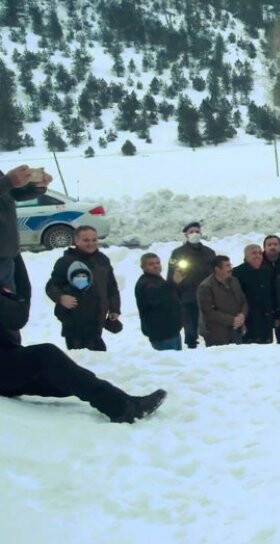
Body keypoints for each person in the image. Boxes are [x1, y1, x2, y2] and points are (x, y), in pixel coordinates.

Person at [2, 255, 165, 423]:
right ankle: (122, 408)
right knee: (47, 355)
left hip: (9, 356)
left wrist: (14, 255)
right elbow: (18, 316)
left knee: (67, 382)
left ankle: (121, 400)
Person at [46, 226, 120, 351]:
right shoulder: (66, 261)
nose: (91, 243)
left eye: (94, 240)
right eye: (86, 240)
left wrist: (114, 309)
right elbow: (51, 286)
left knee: (97, 355)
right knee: (85, 357)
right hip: (75, 322)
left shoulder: (102, 260)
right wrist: (61, 298)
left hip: (97, 319)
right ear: (76, 241)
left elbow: (111, 286)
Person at [2, 165, 53, 293]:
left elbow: (13, 194)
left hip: (7, 253)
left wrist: (36, 187)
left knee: (14, 301)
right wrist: (8, 181)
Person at [167, 222, 216, 349]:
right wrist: (174, 293)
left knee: (210, 327)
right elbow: (171, 277)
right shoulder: (177, 253)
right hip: (187, 297)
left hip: (207, 297)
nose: (195, 234)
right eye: (191, 232)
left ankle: (212, 350)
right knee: (190, 328)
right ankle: (191, 348)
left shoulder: (209, 252)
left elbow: (215, 274)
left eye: (197, 231)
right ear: (186, 235)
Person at [134, 252, 183, 350]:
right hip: (162, 335)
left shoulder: (157, 280)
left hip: (172, 332)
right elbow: (158, 299)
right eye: (151, 264)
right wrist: (173, 283)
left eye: (158, 263)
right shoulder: (145, 283)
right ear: (143, 267)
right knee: (169, 360)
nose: (156, 266)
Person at [197, 255, 247, 347]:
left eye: (230, 265)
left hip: (236, 331)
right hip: (217, 334)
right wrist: (232, 320)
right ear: (217, 269)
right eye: (227, 266)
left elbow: (243, 301)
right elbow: (208, 312)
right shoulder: (206, 286)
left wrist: (242, 315)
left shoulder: (234, 281)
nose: (230, 268)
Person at [232, 244, 276, 344]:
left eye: (260, 253)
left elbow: (273, 294)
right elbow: (234, 299)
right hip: (248, 319)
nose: (258, 256)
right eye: (254, 253)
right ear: (246, 256)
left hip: (266, 319)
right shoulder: (237, 273)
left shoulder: (267, 271)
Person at [261, 235, 280, 344]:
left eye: (275, 244)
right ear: (264, 247)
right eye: (269, 245)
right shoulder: (259, 262)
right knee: (264, 341)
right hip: (264, 307)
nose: (272, 247)